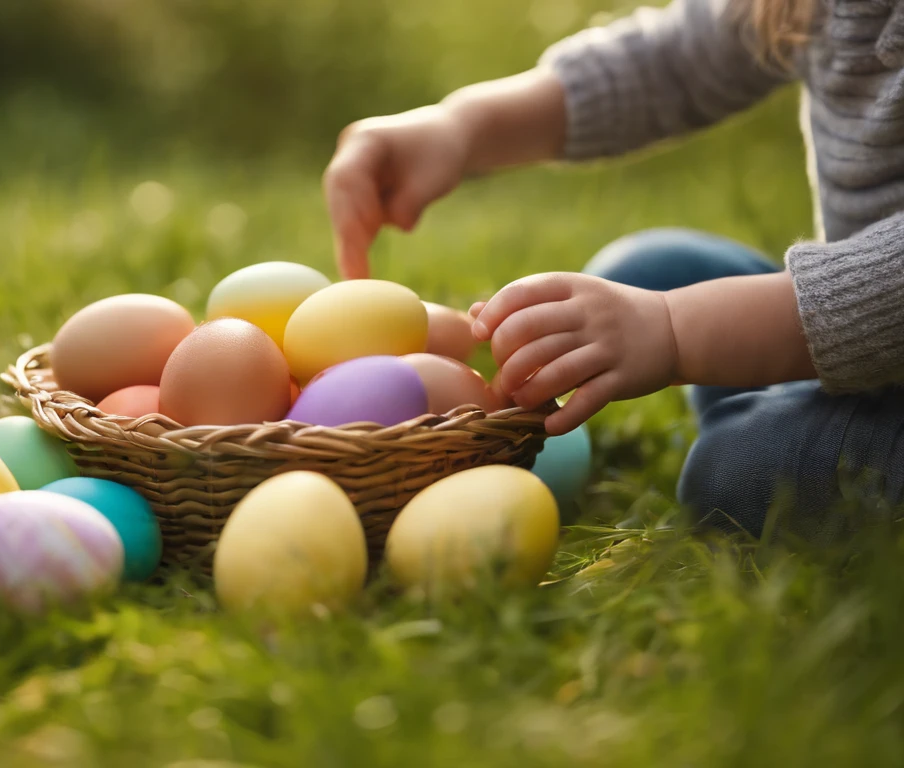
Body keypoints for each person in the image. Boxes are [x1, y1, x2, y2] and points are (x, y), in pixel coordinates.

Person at [322, 0, 904, 544]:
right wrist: (462, 126)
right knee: (650, 268)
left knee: (735, 473)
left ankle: (792, 416)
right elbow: (675, 63)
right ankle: (802, 399)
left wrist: (673, 330)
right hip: (860, 336)